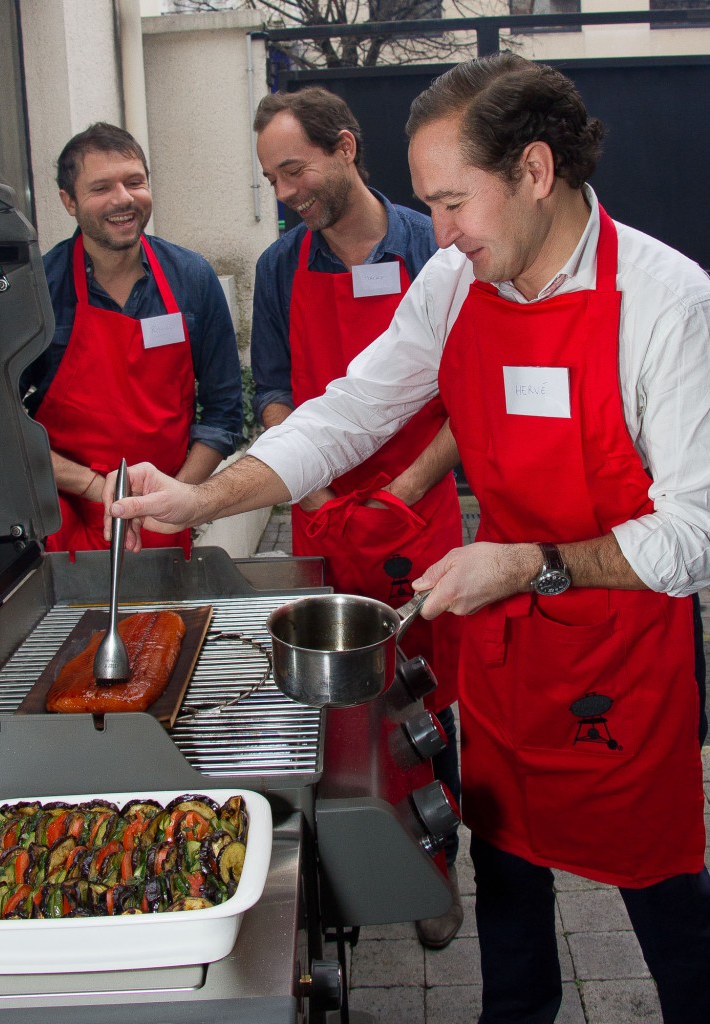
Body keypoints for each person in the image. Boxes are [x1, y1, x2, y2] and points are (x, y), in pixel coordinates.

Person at [104, 54, 710, 1024]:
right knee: (507, 883)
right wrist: (204, 496)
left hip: (622, 662)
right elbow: (343, 414)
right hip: (507, 657)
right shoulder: (451, 283)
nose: (445, 228)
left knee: (661, 901)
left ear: (534, 171)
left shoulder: (665, 301)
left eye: (452, 200)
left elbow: (694, 534)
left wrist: (529, 561)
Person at [250, 86, 464, 949]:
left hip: (416, 515)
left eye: (294, 168)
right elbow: (272, 390)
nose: (284, 192)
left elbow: (467, 392)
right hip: (322, 517)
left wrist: (404, 489)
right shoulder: (278, 266)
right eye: (270, 177)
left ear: (345, 148)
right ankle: (339, 875)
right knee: (333, 713)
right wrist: (307, 491)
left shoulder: (431, 245)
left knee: (426, 704)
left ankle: (435, 874)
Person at [22, 122, 243, 555]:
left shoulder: (192, 278)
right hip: (63, 514)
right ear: (69, 202)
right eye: (101, 187)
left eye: (134, 182)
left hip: (162, 515)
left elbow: (223, 412)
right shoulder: (37, 291)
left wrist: (173, 497)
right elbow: (5, 427)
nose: (123, 199)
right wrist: (93, 487)